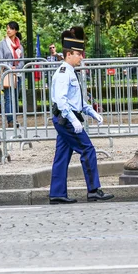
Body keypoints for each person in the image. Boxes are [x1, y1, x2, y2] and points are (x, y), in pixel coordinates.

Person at [49, 37, 114, 204]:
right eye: (79, 54)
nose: (81, 57)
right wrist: (73, 119)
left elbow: (75, 100)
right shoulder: (64, 73)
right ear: (69, 54)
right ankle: (93, 190)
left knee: (62, 156)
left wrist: (91, 111)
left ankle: (57, 193)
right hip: (67, 119)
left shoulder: (70, 71)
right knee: (88, 150)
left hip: (66, 118)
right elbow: (62, 101)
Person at [0, 21, 24, 127]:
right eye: (7, 28)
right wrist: (9, 67)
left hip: (17, 74)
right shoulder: (2, 43)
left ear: (15, 30)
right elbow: (1, 59)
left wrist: (17, 68)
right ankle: (10, 120)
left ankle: (15, 117)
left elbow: (22, 60)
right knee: (8, 97)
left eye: (11, 28)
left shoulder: (20, 45)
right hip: (8, 73)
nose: (8, 30)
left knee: (16, 97)